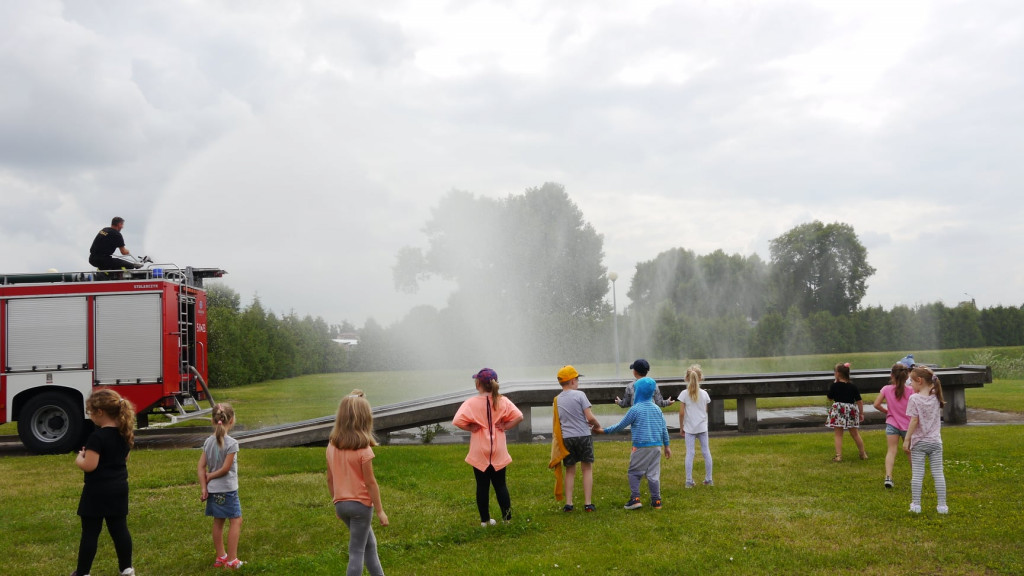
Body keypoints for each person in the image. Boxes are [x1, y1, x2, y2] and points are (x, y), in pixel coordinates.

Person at [72, 389, 136, 576]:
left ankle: (83, 572)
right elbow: (124, 458)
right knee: (120, 530)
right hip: (119, 489)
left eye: (91, 412)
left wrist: (80, 458)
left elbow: (90, 465)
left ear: (100, 412)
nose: (90, 416)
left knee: (90, 532)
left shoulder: (96, 437)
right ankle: (127, 568)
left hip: (97, 491)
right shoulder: (125, 434)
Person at [326, 390, 389, 576]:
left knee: (369, 545)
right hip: (361, 507)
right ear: (365, 420)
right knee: (356, 552)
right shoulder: (364, 450)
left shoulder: (331, 446)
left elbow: (330, 479)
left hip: (341, 505)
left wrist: (336, 502)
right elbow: (371, 483)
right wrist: (380, 511)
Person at [453, 368, 524, 526]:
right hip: (498, 448)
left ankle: (485, 520)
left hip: (480, 449)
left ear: (478, 384)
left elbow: (457, 420)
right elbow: (519, 416)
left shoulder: (471, 402)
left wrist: (471, 428)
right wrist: (505, 426)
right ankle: (507, 519)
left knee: (482, 486)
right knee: (501, 485)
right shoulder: (502, 400)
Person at [600, 377, 672, 509]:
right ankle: (656, 501)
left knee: (634, 472)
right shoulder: (657, 409)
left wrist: (604, 431)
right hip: (656, 446)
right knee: (653, 475)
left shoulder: (635, 409)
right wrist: (667, 446)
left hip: (640, 446)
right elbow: (663, 429)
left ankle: (635, 499)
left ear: (638, 391)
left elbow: (620, 425)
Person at [198, 403, 244, 569]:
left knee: (218, 522)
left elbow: (200, 466)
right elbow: (225, 469)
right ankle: (232, 561)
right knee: (236, 520)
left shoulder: (208, 442)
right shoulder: (232, 443)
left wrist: (204, 487)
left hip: (213, 490)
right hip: (228, 490)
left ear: (213, 420)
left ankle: (221, 557)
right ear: (231, 420)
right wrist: (211, 475)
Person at [551, 365, 603, 512]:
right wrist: (597, 426)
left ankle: (569, 504)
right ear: (573, 381)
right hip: (583, 436)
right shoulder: (580, 395)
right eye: (577, 379)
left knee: (570, 471)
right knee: (587, 469)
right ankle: (587, 503)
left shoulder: (557, 400)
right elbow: (590, 417)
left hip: (567, 439)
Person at [903, 366, 948, 514]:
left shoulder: (914, 399)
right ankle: (942, 506)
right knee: (938, 474)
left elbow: (914, 420)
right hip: (935, 442)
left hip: (919, 443)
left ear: (919, 381)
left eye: (911, 381)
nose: (910, 385)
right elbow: (933, 380)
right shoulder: (936, 396)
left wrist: (907, 439)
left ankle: (916, 505)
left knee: (917, 474)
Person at [873, 363, 914, 488]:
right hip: (908, 426)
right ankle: (915, 477)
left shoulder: (886, 389)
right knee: (910, 451)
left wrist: (887, 411)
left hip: (892, 424)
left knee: (891, 451)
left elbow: (876, 404)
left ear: (891, 375)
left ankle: (889, 477)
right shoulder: (911, 391)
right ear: (907, 377)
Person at [679, 364, 713, 488]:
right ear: (700, 378)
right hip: (702, 427)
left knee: (690, 453)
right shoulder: (704, 394)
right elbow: (705, 410)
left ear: (687, 378)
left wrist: (681, 427)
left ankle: (689, 480)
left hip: (689, 428)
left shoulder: (684, 394)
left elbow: (682, 413)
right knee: (706, 452)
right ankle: (709, 479)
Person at [825, 362, 867, 462]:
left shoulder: (834, 386)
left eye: (835, 372)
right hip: (851, 410)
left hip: (838, 410)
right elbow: (859, 401)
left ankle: (838, 456)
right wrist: (861, 413)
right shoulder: (853, 386)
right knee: (855, 434)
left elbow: (829, 398)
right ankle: (862, 453)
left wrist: (834, 383)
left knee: (838, 434)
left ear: (838, 374)